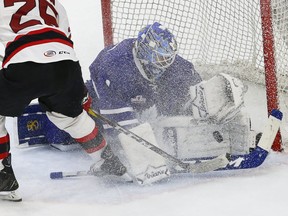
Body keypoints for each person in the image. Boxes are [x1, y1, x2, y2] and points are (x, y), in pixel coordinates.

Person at [0, 0, 127, 201]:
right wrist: (78, 93)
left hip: (23, 62)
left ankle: (2, 175)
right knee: (71, 117)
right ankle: (105, 158)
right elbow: (65, 43)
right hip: (66, 63)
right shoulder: (55, 4)